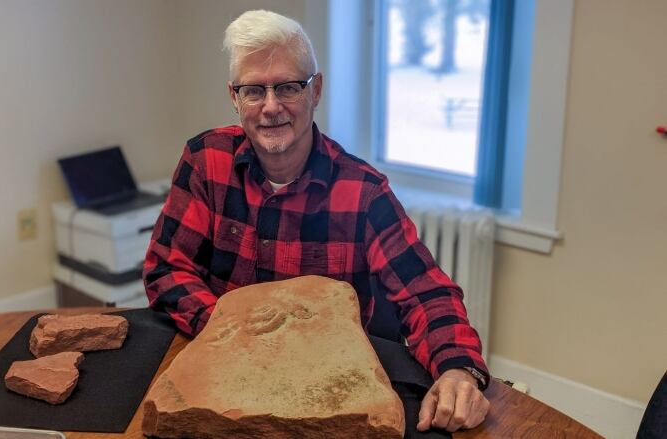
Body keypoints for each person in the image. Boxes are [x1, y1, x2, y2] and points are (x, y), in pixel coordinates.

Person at [143, 9, 490, 433]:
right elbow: (166, 266)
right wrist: (231, 331)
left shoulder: (363, 192)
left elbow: (427, 293)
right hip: (221, 384)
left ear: (316, 90)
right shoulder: (205, 160)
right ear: (235, 97)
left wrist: (458, 370)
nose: (271, 107)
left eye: (288, 87)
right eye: (254, 90)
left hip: (329, 396)